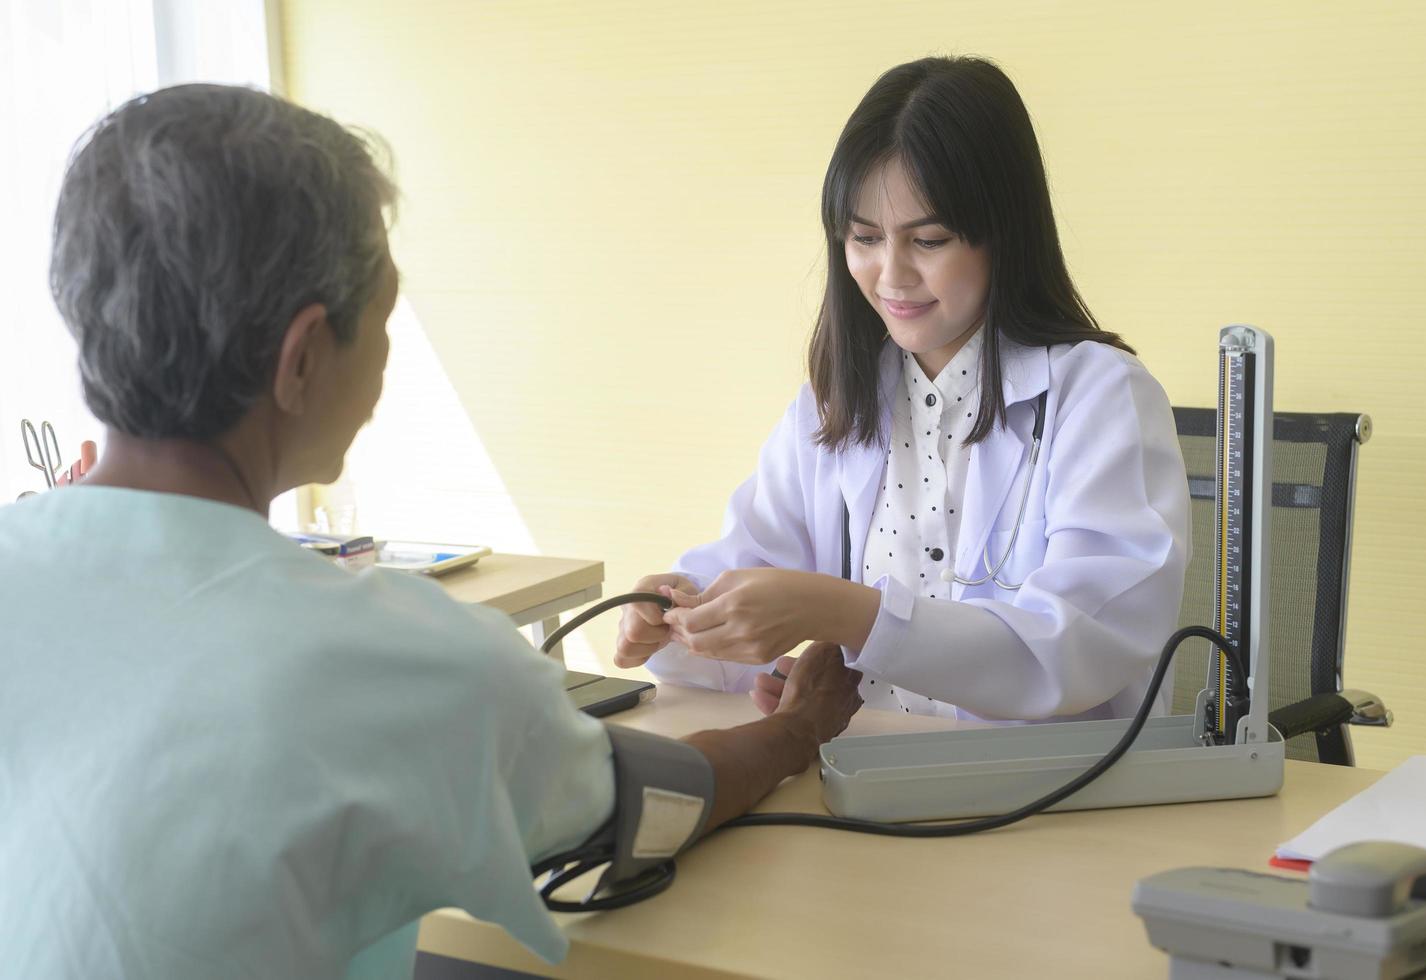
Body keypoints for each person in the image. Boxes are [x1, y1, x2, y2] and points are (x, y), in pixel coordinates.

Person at [0, 84, 862, 979]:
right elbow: (653, 805)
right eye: (382, 316)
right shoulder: (392, 655)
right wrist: (798, 731)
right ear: (301, 359)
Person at [617, 56, 1190, 724]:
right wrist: (678, 616)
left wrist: (842, 614)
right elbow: (745, 579)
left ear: (1002, 234)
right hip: (863, 771)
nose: (890, 275)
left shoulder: (1098, 395)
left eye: (928, 240)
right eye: (863, 238)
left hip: (1046, 795)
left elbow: (1075, 652)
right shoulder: (837, 400)